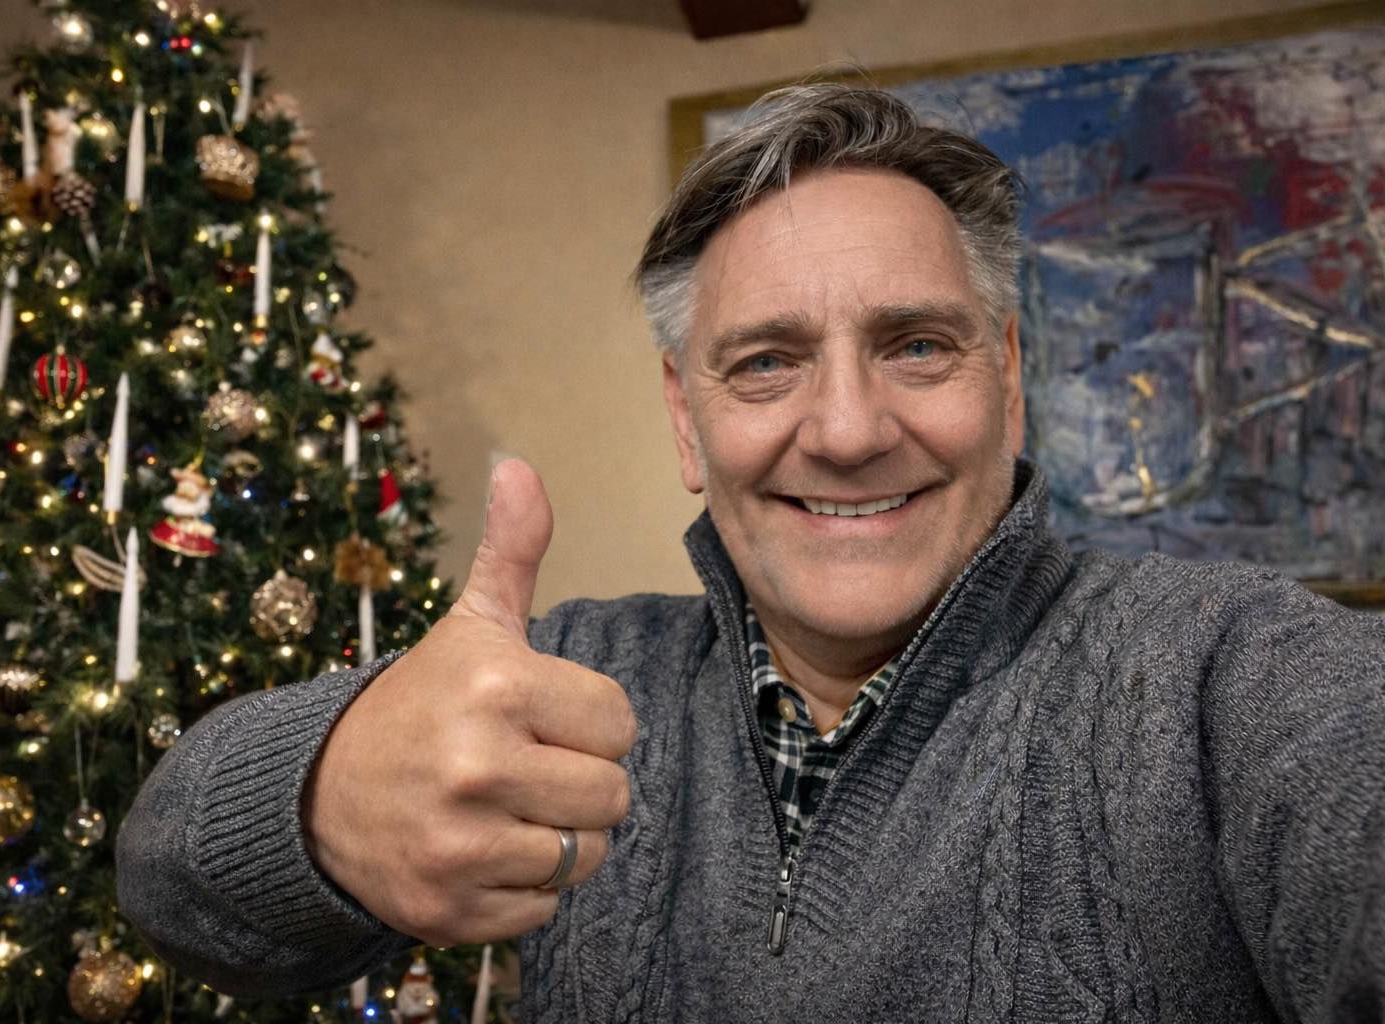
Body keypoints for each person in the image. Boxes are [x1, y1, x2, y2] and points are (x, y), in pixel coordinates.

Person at [117, 83, 1385, 1022]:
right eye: (769, 361)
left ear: (1006, 375)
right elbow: (165, 877)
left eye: (917, 346)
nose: (847, 430)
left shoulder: (1219, 673)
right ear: (687, 416)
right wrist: (325, 795)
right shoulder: (571, 684)